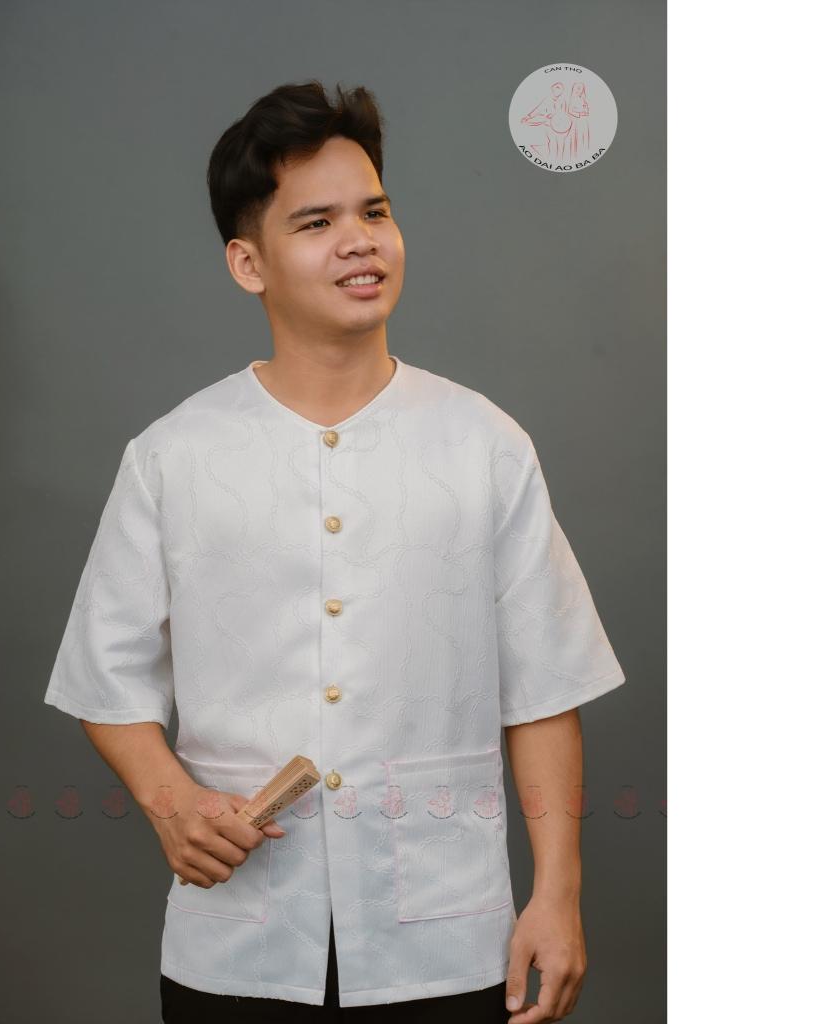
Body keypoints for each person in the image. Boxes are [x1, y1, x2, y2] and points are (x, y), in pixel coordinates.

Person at [43, 80, 627, 1022]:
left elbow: (546, 689)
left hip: (445, 941)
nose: (360, 240)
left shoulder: (484, 445)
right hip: (238, 948)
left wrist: (557, 895)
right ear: (248, 262)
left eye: (375, 212)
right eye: (316, 222)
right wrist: (169, 802)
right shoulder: (173, 457)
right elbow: (104, 680)